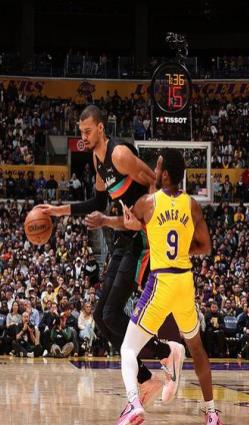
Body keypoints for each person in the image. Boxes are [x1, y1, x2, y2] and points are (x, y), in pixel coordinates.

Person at [38, 105, 180, 404]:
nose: (84, 137)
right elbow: (98, 202)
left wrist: (143, 218)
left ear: (101, 128)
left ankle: (167, 352)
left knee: (112, 312)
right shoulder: (97, 159)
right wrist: (57, 211)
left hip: (142, 238)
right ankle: (146, 376)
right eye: (81, 132)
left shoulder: (120, 154)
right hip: (122, 235)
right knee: (103, 318)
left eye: (88, 131)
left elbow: (154, 183)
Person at [111, 150, 223, 425]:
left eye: (158, 167)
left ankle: (133, 403)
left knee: (128, 348)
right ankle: (212, 415)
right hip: (184, 281)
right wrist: (181, 248)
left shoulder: (148, 202)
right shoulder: (192, 205)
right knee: (197, 349)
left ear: (167, 174)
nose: (154, 170)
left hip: (161, 281)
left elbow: (128, 224)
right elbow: (205, 246)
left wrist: (115, 220)